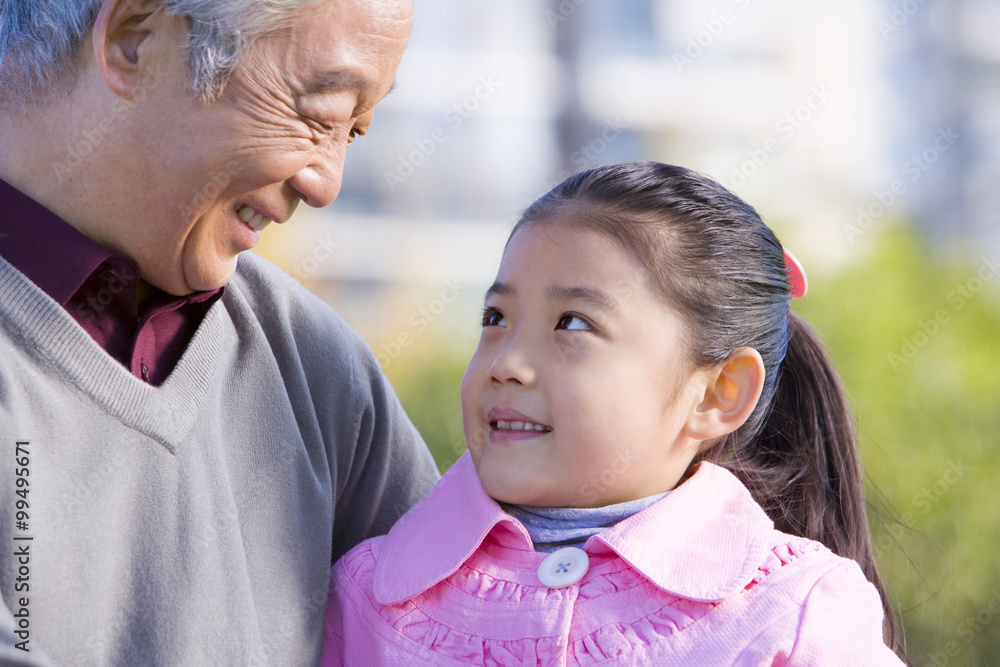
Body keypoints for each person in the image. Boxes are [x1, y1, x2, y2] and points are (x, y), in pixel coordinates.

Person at [323, 162, 907, 665]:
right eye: (496, 318)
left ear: (717, 393)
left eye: (572, 323)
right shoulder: (369, 594)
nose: (507, 363)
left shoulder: (795, 609)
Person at [0, 0, 439, 664]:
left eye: (354, 133)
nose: (325, 184)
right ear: (135, 40)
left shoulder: (320, 371)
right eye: (320, 115)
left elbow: (462, 631)